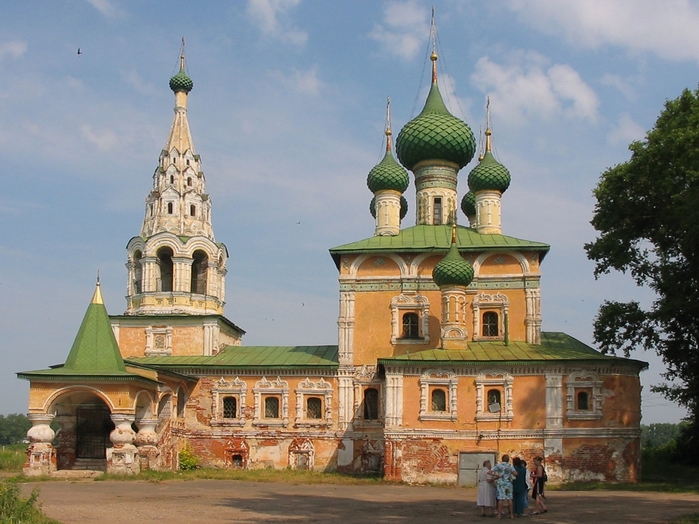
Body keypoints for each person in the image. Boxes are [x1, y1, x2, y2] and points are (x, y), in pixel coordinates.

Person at [492, 454, 517, 519]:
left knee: (500, 499)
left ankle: (499, 515)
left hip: (501, 483)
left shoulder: (498, 465)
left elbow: (489, 472)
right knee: (509, 499)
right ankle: (511, 515)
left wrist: (497, 476)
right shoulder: (510, 466)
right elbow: (516, 473)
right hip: (508, 483)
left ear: (502, 459)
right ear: (508, 460)